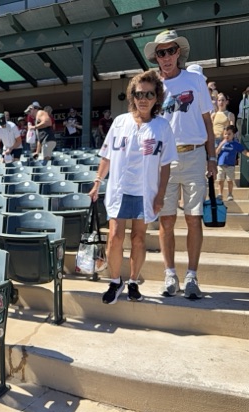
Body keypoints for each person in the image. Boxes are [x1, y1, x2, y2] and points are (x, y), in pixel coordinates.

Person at [90, 70, 173, 304]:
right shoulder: (120, 122)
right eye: (139, 94)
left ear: (157, 97)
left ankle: (133, 282)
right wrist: (97, 182)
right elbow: (106, 156)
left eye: (149, 94)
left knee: (138, 238)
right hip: (120, 189)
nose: (143, 99)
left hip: (145, 191)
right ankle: (115, 281)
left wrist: (160, 196)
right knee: (115, 237)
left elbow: (166, 165)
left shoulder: (162, 127)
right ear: (132, 96)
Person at [148, 30, 217, 300]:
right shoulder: (153, 85)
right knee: (166, 220)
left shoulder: (196, 80)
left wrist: (212, 157)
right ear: (156, 56)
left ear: (179, 52)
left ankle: (191, 276)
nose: (166, 57)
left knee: (193, 218)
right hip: (163, 159)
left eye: (170, 51)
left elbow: (207, 122)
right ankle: (169, 274)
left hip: (194, 155)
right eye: (161, 52)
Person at [219, 125, 242, 201]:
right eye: (225, 134)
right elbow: (216, 152)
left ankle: (230, 194)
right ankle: (220, 194)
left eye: (229, 134)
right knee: (220, 180)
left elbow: (243, 151)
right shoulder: (221, 143)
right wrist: (221, 144)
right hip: (221, 164)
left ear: (233, 135)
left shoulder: (235, 144)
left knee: (229, 180)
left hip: (230, 165)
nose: (227, 136)